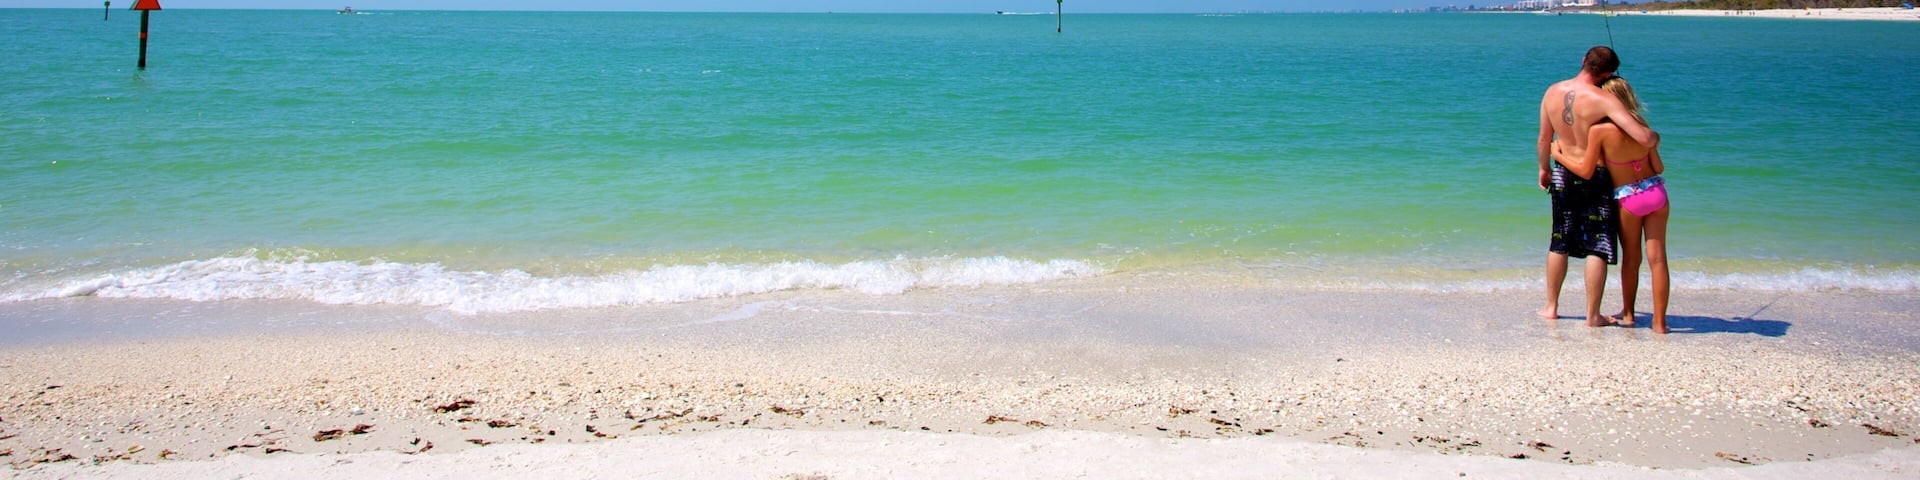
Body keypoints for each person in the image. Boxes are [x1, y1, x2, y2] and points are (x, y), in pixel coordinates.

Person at [1535, 46, 1658, 327]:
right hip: (1596, 176)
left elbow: (1544, 138)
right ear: (1608, 74)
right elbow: (1643, 137)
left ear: (1583, 61)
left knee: (1559, 240)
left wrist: (1544, 168)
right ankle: (1593, 315)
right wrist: (1653, 135)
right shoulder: (1604, 99)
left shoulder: (1552, 92)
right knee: (1598, 245)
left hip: (1562, 171)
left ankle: (1551, 306)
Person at [1555, 76, 1671, 334]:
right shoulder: (1642, 127)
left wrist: (1557, 155)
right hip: (1656, 192)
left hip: (1629, 199)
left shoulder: (1599, 131)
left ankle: (1629, 313)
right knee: (1658, 260)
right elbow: (1659, 167)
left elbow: (1586, 171)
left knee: (1632, 258)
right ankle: (1660, 323)